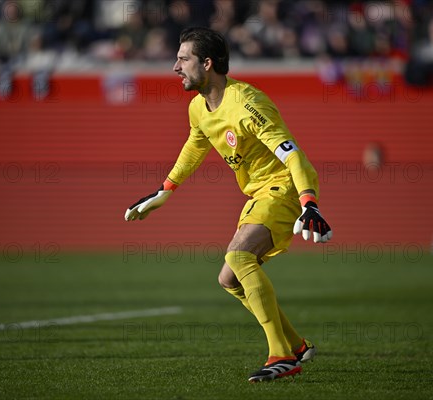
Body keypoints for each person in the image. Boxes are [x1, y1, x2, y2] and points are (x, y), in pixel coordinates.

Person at [124, 27, 333, 382]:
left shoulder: (249, 104)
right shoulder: (198, 108)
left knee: (239, 258)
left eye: (183, 59)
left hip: (283, 189)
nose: (175, 67)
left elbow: (293, 155)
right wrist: (165, 189)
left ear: (207, 64)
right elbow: (195, 145)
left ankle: (281, 356)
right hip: (258, 194)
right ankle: (296, 345)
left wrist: (308, 202)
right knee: (229, 279)